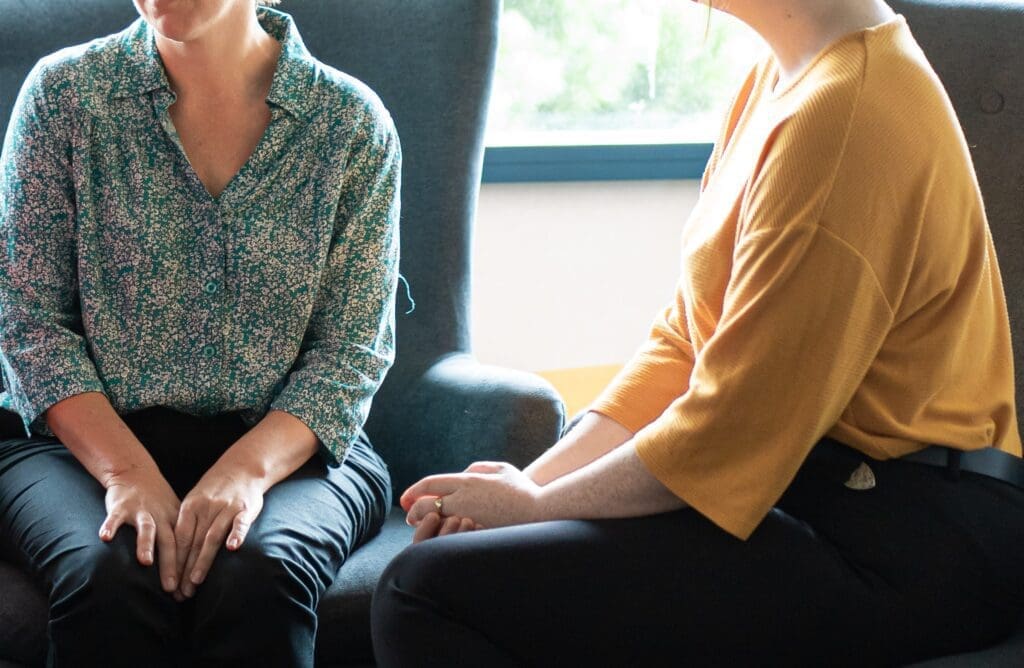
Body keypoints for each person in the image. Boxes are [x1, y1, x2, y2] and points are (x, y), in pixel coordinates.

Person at [371, 0, 1024, 665]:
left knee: (424, 589)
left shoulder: (847, 113)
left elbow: (735, 426)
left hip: (908, 538)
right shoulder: (776, 79)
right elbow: (685, 343)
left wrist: (536, 507)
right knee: (464, 567)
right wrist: (527, 491)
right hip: (811, 493)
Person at [0, 0, 399, 665]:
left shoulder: (351, 123)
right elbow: (28, 324)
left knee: (260, 573)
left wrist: (244, 472)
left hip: (294, 447)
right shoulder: (64, 96)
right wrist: (126, 471)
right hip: (73, 444)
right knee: (111, 575)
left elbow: (352, 352)